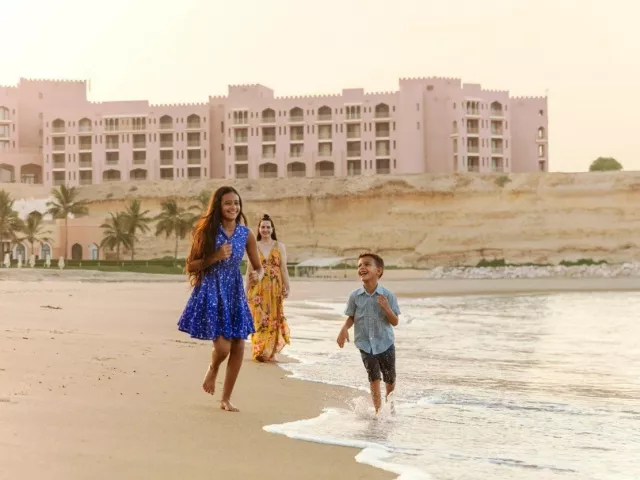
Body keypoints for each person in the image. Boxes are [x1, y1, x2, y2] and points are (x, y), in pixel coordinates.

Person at [178, 186, 264, 412]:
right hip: (212, 291)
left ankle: (226, 398)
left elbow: (258, 266)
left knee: (239, 345)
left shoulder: (246, 234)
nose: (233, 207)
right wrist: (215, 256)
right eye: (228, 203)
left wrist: (258, 275)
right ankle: (214, 367)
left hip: (234, 291)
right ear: (218, 205)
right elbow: (191, 265)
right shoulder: (206, 231)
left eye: (236, 203)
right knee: (223, 348)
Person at [336, 253, 400, 414]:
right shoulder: (355, 296)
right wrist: (344, 328)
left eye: (366, 264)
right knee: (373, 378)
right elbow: (351, 317)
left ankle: (390, 406)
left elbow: (395, 321)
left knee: (390, 378)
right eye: (359, 265)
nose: (362, 268)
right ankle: (379, 412)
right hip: (365, 344)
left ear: (379, 270)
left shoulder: (388, 295)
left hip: (385, 342)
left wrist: (387, 308)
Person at [246, 214, 291, 362]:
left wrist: (287, 286)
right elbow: (250, 270)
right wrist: (245, 289)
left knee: (274, 318)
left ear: (272, 229)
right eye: (263, 227)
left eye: (268, 227)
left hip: (275, 289)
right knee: (259, 318)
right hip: (257, 287)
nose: (265, 229)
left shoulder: (279, 246)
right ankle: (259, 350)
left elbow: (283, 268)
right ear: (259, 229)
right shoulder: (254, 246)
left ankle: (270, 352)